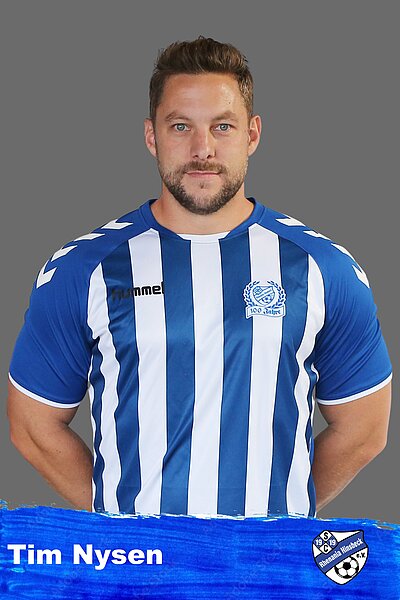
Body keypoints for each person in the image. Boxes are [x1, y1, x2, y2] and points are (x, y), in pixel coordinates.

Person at [7, 37, 392, 518]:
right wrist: (127, 527)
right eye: (180, 126)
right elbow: (33, 426)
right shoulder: (83, 269)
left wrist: (284, 522)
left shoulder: (323, 268)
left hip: (270, 565)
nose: (202, 149)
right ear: (152, 136)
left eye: (222, 127)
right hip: (138, 564)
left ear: (252, 134)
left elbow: (364, 428)